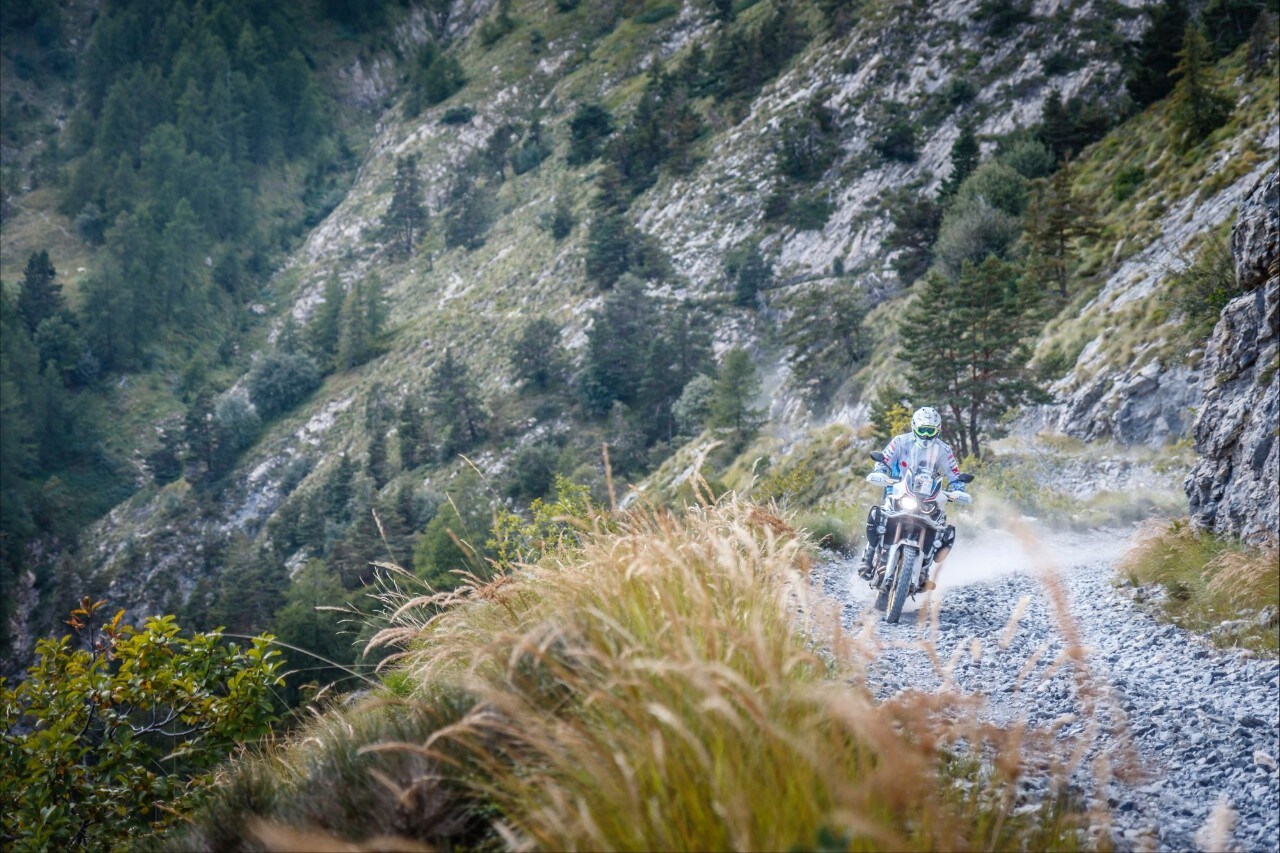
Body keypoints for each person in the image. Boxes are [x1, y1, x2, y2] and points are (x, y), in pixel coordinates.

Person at [857, 406, 965, 587]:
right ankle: (868, 559)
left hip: (928, 495)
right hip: (898, 489)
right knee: (880, 516)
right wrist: (881, 472)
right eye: (922, 430)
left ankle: (924, 570)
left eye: (930, 431)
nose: (926, 435)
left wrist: (958, 489)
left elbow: (954, 474)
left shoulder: (944, 450)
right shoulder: (900, 442)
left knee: (940, 525)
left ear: (937, 430)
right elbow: (884, 460)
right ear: (914, 427)